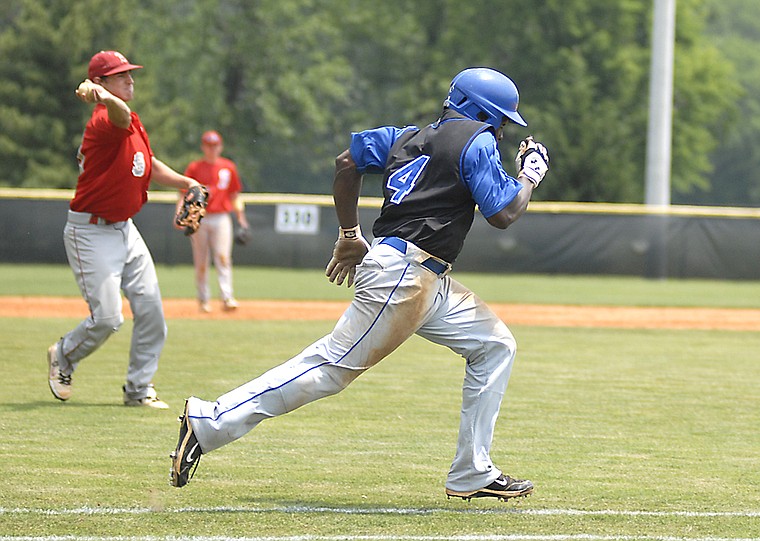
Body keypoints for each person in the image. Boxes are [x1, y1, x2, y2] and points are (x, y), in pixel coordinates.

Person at [169, 67, 550, 500]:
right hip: (405, 277)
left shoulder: (405, 137)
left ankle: (471, 472)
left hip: (424, 277)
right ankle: (209, 421)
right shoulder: (476, 139)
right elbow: (503, 213)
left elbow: (346, 162)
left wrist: (350, 234)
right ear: (481, 111)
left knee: (495, 344)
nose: (500, 130)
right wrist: (529, 177)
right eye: (500, 119)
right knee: (330, 368)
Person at [47, 50, 205, 409]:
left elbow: (144, 163)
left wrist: (184, 181)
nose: (130, 80)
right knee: (107, 317)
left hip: (125, 230)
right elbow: (116, 113)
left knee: (151, 311)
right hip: (90, 231)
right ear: (100, 83)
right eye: (120, 76)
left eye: (129, 74)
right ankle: (64, 354)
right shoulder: (104, 120)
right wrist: (104, 97)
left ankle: (138, 389)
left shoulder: (128, 120)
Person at [180, 130, 249, 313]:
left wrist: (241, 218)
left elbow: (234, 195)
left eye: (215, 145)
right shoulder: (194, 168)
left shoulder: (228, 167)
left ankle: (227, 298)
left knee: (223, 257)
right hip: (199, 217)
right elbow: (184, 193)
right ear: (203, 147)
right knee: (201, 260)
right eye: (208, 145)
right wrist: (179, 212)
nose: (212, 149)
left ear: (220, 146)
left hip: (221, 217)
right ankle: (203, 300)